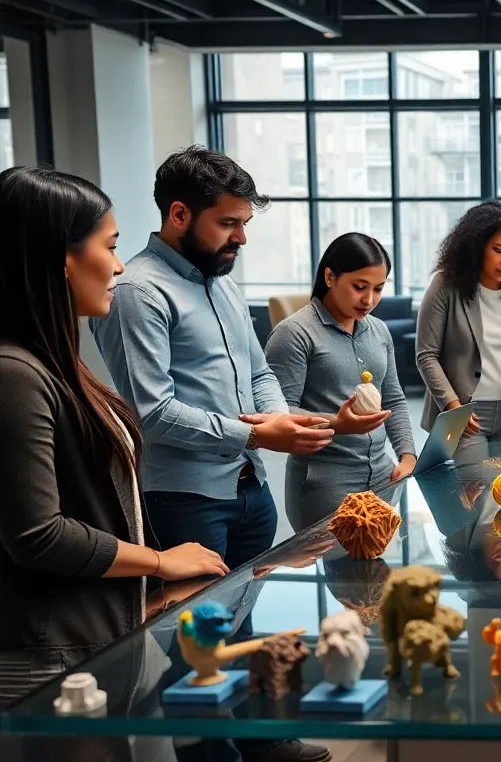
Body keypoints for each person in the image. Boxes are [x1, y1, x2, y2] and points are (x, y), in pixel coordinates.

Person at [90, 147, 333, 762]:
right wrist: (256, 435)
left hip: (248, 488)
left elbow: (258, 374)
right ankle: (212, 757)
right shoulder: (138, 292)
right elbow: (151, 412)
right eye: (229, 223)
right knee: (193, 646)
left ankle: (262, 744)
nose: (241, 238)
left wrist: (278, 418)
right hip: (183, 498)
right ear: (179, 214)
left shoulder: (222, 282)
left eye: (244, 223)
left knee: (243, 626)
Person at [0, 167, 225, 709]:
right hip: (50, 661)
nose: (120, 265)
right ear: (62, 258)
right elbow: (38, 534)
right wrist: (158, 562)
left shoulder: (50, 362)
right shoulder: (14, 374)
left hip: (91, 642)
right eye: (111, 246)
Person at [263, 233, 418, 532]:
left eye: (378, 288)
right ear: (330, 277)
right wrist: (337, 423)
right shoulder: (293, 334)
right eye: (359, 287)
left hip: (384, 477)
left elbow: (394, 398)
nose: (369, 299)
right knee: (339, 562)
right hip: (325, 484)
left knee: (376, 561)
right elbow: (277, 413)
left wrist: (408, 454)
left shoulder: (379, 331)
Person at [416, 201, 501, 465]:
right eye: (499, 250)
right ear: (476, 246)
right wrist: (453, 407)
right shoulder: (444, 285)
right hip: (466, 415)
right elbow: (426, 355)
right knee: (478, 487)